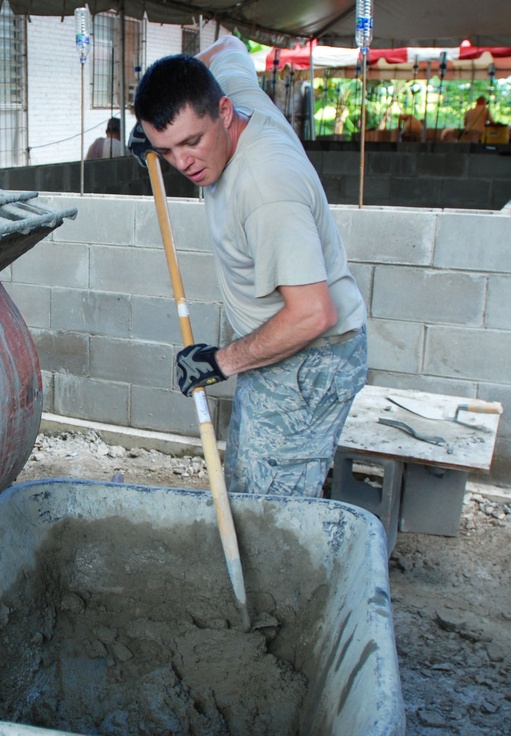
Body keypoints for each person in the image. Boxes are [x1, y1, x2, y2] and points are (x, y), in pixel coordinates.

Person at [130, 36, 368, 498]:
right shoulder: (234, 93)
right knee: (246, 481)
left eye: (191, 143)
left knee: (270, 508)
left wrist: (219, 362)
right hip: (279, 349)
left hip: (310, 360)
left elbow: (314, 314)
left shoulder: (266, 187)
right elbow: (228, 44)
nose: (183, 163)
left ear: (222, 112)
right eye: (167, 148)